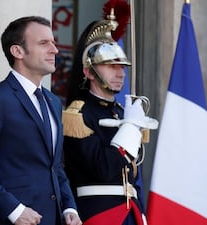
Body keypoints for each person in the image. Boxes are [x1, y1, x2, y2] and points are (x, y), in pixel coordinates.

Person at [0, 16, 82, 225]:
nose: (55, 50)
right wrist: (13, 210)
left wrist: (69, 207)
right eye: (44, 43)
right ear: (17, 51)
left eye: (53, 42)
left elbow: (55, 167)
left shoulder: (53, 102)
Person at [62, 14, 158, 225]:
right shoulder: (77, 115)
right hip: (98, 214)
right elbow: (103, 168)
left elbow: (134, 172)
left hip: (131, 211)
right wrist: (131, 128)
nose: (121, 73)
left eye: (122, 66)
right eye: (111, 66)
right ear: (89, 71)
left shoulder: (123, 112)